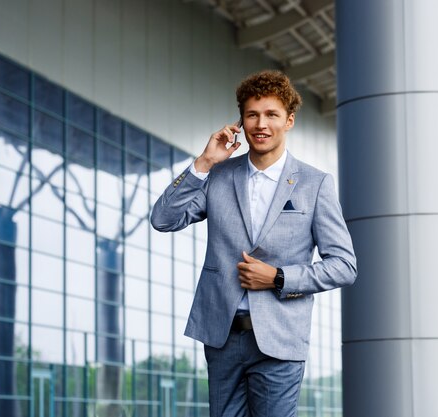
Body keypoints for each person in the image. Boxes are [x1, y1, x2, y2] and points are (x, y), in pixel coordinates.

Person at [150, 70, 357, 417]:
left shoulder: (314, 184)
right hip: (222, 336)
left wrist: (278, 277)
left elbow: (344, 265)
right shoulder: (217, 176)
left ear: (288, 120)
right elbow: (163, 219)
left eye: (272, 114)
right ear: (241, 121)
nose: (261, 124)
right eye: (252, 114)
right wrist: (203, 163)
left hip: (280, 338)